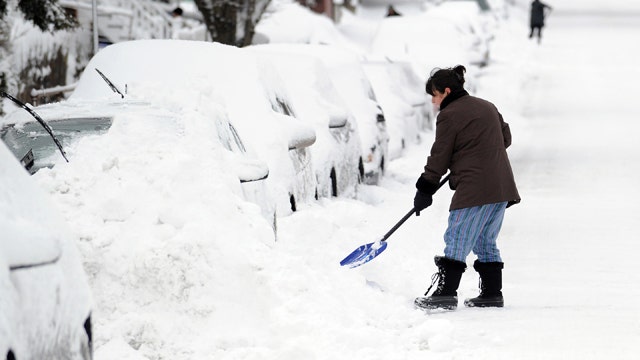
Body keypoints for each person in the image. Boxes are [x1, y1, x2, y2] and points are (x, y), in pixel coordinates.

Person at [413, 65, 520, 311]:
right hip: (501, 186)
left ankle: (445, 294)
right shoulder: (487, 106)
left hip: (477, 187)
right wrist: (472, 151)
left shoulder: (449, 115)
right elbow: (505, 139)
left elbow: (439, 156)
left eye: (435, 94)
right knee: (484, 240)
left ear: (447, 91)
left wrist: (425, 188)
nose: (433, 101)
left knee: (457, 237)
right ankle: (492, 293)